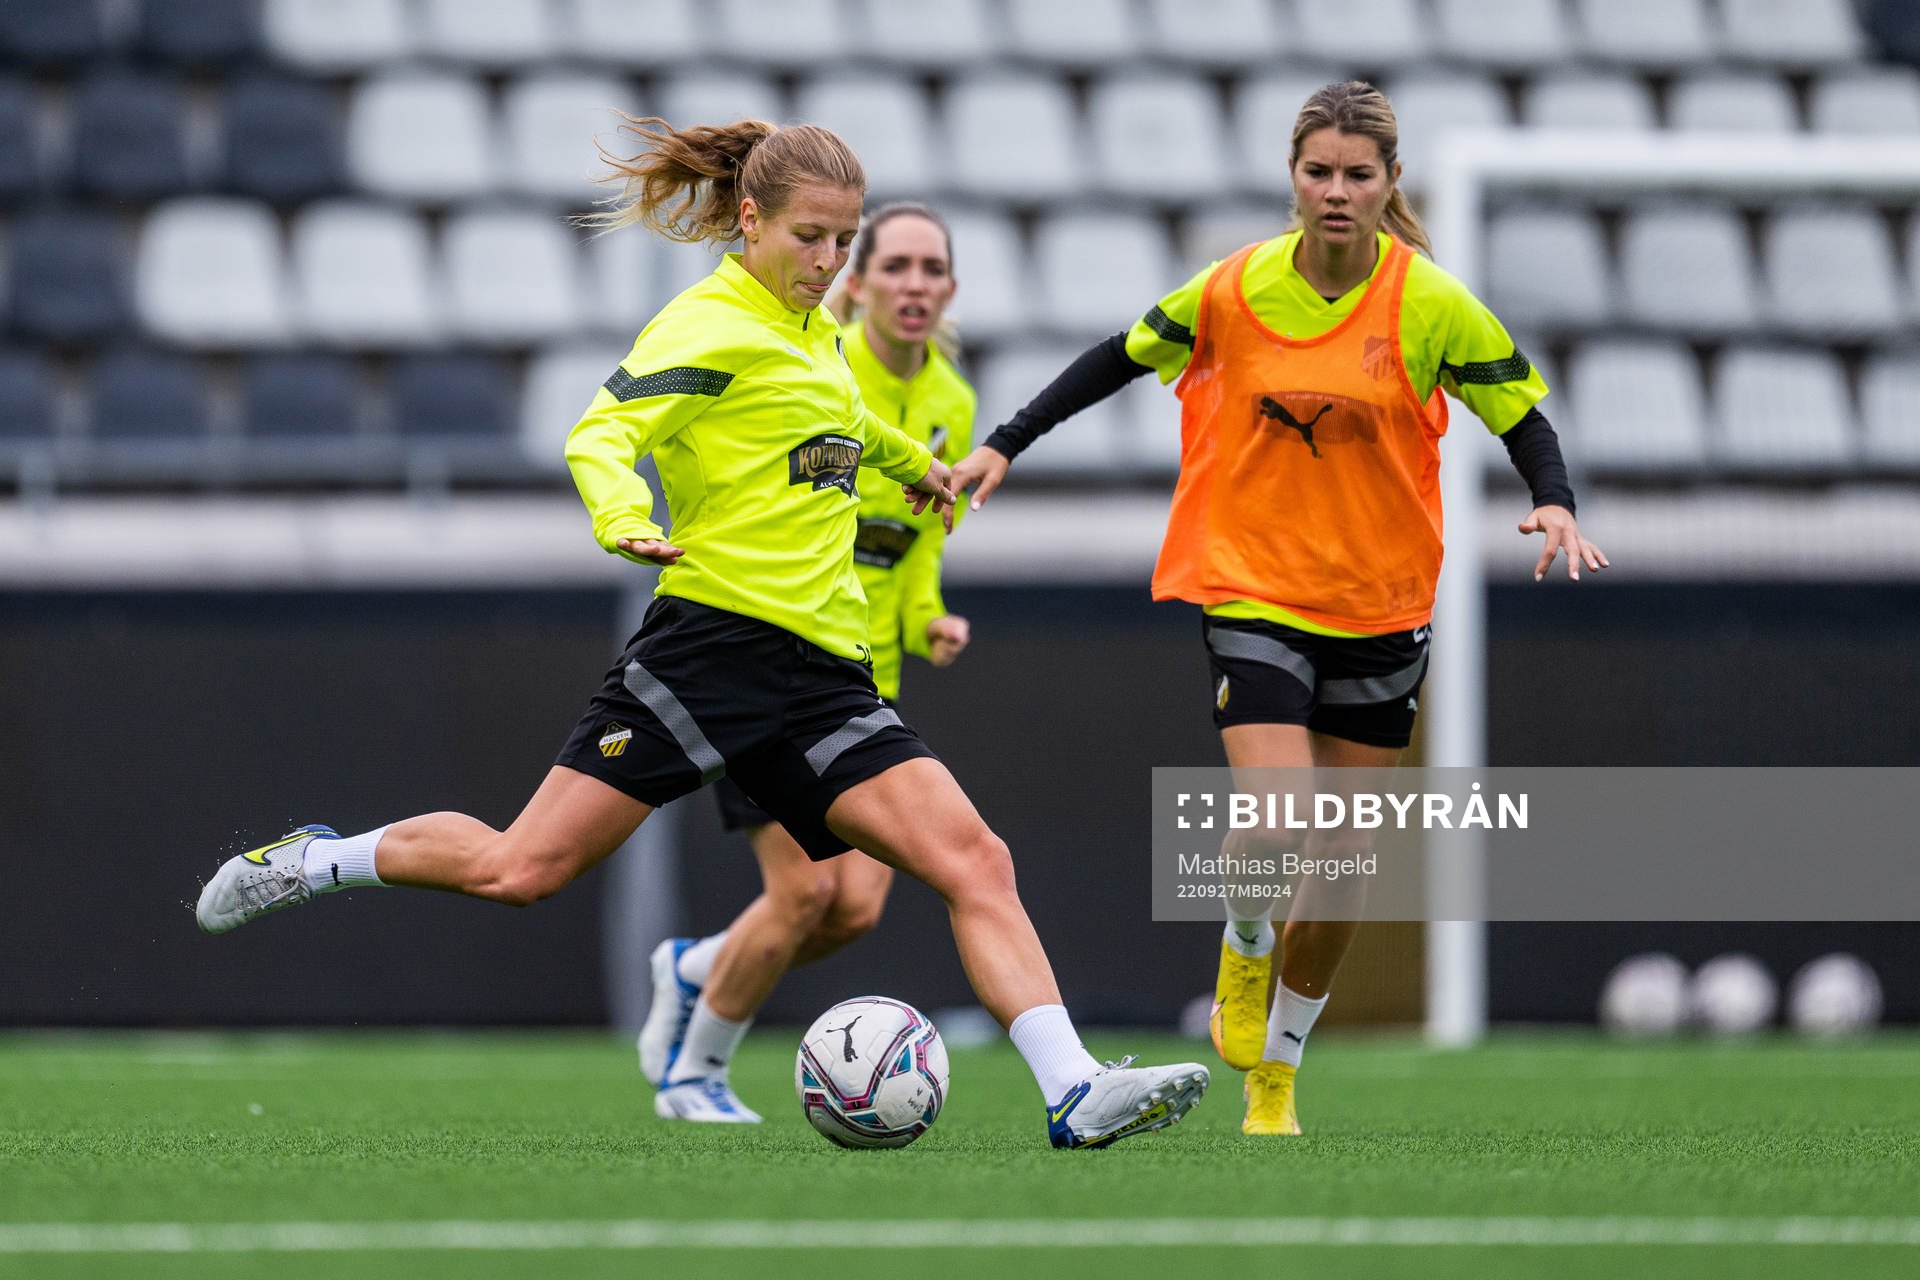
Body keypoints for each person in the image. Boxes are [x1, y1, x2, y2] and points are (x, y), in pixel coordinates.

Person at [193, 117, 1206, 1149]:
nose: (829, 262)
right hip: (708, 652)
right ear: (752, 220)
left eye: (844, 240)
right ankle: (317, 860)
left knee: (974, 860)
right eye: (812, 237)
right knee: (520, 869)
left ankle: (1073, 1085)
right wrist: (619, 516)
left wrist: (917, 466)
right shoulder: (707, 324)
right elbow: (602, 432)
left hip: (826, 674)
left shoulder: (815, 330)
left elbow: (842, 421)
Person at [951, 82, 1606, 1136]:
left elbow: (1519, 410)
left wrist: (1555, 502)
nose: (1336, 191)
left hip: (1383, 603)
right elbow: (1115, 358)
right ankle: (1243, 937)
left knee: (1343, 868)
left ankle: (1276, 1082)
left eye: (1358, 174)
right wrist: (1004, 443)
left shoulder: (1429, 300)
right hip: (1252, 583)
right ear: (1291, 178)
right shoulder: (1233, 289)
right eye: (1318, 172)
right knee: (1278, 817)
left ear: (1390, 183)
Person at [639, 202, 977, 1122]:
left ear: (949, 288)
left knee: (855, 909)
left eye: (931, 269)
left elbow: (914, 542)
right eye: (895, 266)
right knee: (804, 891)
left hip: (858, 678)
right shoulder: (815, 358)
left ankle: (698, 964)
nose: (915, 285)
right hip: (764, 654)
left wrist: (930, 616)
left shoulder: (951, 399)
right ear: (856, 283)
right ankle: (694, 1071)